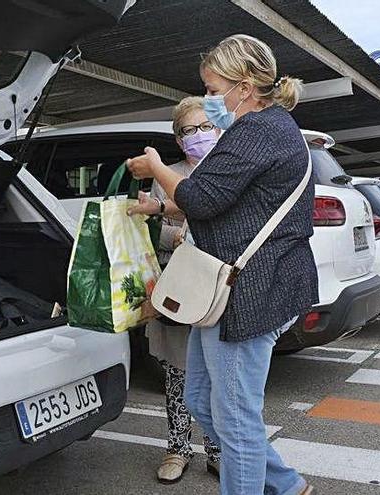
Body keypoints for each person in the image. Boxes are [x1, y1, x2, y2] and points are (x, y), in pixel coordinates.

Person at [126, 34, 318, 495]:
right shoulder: (269, 129)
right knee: (202, 400)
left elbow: (199, 196)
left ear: (246, 85)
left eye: (214, 90)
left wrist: (156, 167)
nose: (210, 100)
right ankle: (288, 485)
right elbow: (228, 206)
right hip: (239, 289)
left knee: (235, 421)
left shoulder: (257, 131)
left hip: (247, 294)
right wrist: (160, 208)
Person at [126, 96, 222, 484]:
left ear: (219, 129)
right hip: (179, 288)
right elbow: (151, 230)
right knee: (178, 375)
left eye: (205, 127)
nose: (197, 136)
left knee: (219, 377)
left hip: (219, 290)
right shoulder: (168, 174)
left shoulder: (228, 170)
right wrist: (176, 233)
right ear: (179, 140)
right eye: (188, 131)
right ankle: (177, 448)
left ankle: (217, 449)